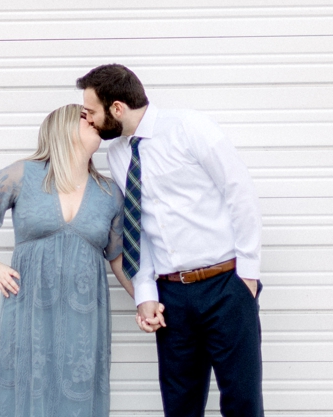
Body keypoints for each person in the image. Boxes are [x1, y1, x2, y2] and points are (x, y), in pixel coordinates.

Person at [77, 64, 264, 417]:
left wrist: (247, 275)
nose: (87, 119)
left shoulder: (189, 127)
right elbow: (137, 227)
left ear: (117, 108)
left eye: (91, 112)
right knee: (179, 407)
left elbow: (240, 193)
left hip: (226, 286)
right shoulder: (117, 154)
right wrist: (145, 292)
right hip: (172, 298)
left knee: (242, 403)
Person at [0, 103, 135, 417]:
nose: (95, 120)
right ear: (62, 127)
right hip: (29, 309)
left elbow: (117, 258)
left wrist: (145, 300)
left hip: (83, 318)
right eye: (85, 116)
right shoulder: (24, 174)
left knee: (78, 395)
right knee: (27, 390)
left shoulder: (109, 192)